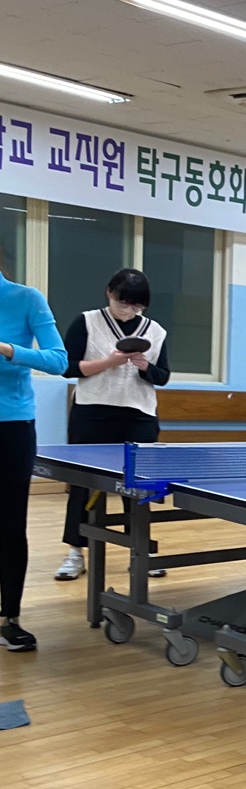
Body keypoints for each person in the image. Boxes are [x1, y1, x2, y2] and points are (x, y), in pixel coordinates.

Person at [55, 269, 172, 582]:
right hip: (91, 413)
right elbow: (67, 367)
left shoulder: (155, 331)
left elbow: (162, 376)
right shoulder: (87, 321)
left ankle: (141, 552)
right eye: (123, 302)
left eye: (137, 305)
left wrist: (145, 366)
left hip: (139, 415)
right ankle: (75, 552)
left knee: (137, 487)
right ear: (109, 292)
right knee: (82, 485)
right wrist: (109, 362)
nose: (129, 310)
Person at [0, 263, 67, 650]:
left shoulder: (26, 298)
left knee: (10, 525)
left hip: (12, 425)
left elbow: (58, 361)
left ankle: (9, 618)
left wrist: (7, 349)